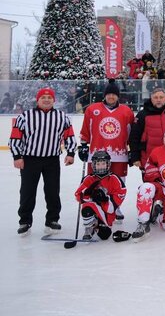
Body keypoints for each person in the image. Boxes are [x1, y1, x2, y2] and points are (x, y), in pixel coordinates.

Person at [9, 88, 77, 236]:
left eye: (49, 97)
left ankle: (52, 220)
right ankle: (25, 221)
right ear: (37, 99)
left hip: (52, 160)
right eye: (43, 97)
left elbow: (70, 136)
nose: (46, 100)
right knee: (27, 192)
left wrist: (71, 153)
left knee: (53, 191)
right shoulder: (25, 117)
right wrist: (17, 156)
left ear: (54, 100)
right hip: (30, 160)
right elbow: (15, 138)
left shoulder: (61, 117)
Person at [78, 80, 135, 220]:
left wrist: (132, 150)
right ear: (104, 95)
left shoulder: (126, 111)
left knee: (119, 183)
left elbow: (131, 133)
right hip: (97, 154)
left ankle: (115, 207)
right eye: (108, 94)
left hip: (119, 155)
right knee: (95, 182)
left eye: (114, 95)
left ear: (118, 96)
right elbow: (86, 129)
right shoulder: (92, 109)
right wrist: (84, 146)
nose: (111, 97)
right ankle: (95, 206)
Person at [73, 151, 126, 240]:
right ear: (93, 165)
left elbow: (112, 208)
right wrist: (89, 194)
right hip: (92, 207)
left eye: (103, 164)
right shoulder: (89, 178)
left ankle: (96, 225)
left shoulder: (115, 179)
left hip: (107, 211)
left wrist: (105, 198)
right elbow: (78, 195)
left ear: (108, 164)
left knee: (104, 235)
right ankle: (89, 227)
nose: (100, 166)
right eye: (98, 164)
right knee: (87, 208)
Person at [129, 88, 165, 169]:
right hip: (148, 159)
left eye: (161, 97)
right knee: (150, 182)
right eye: (156, 97)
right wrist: (135, 157)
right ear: (151, 99)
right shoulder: (142, 115)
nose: (158, 100)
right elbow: (134, 137)